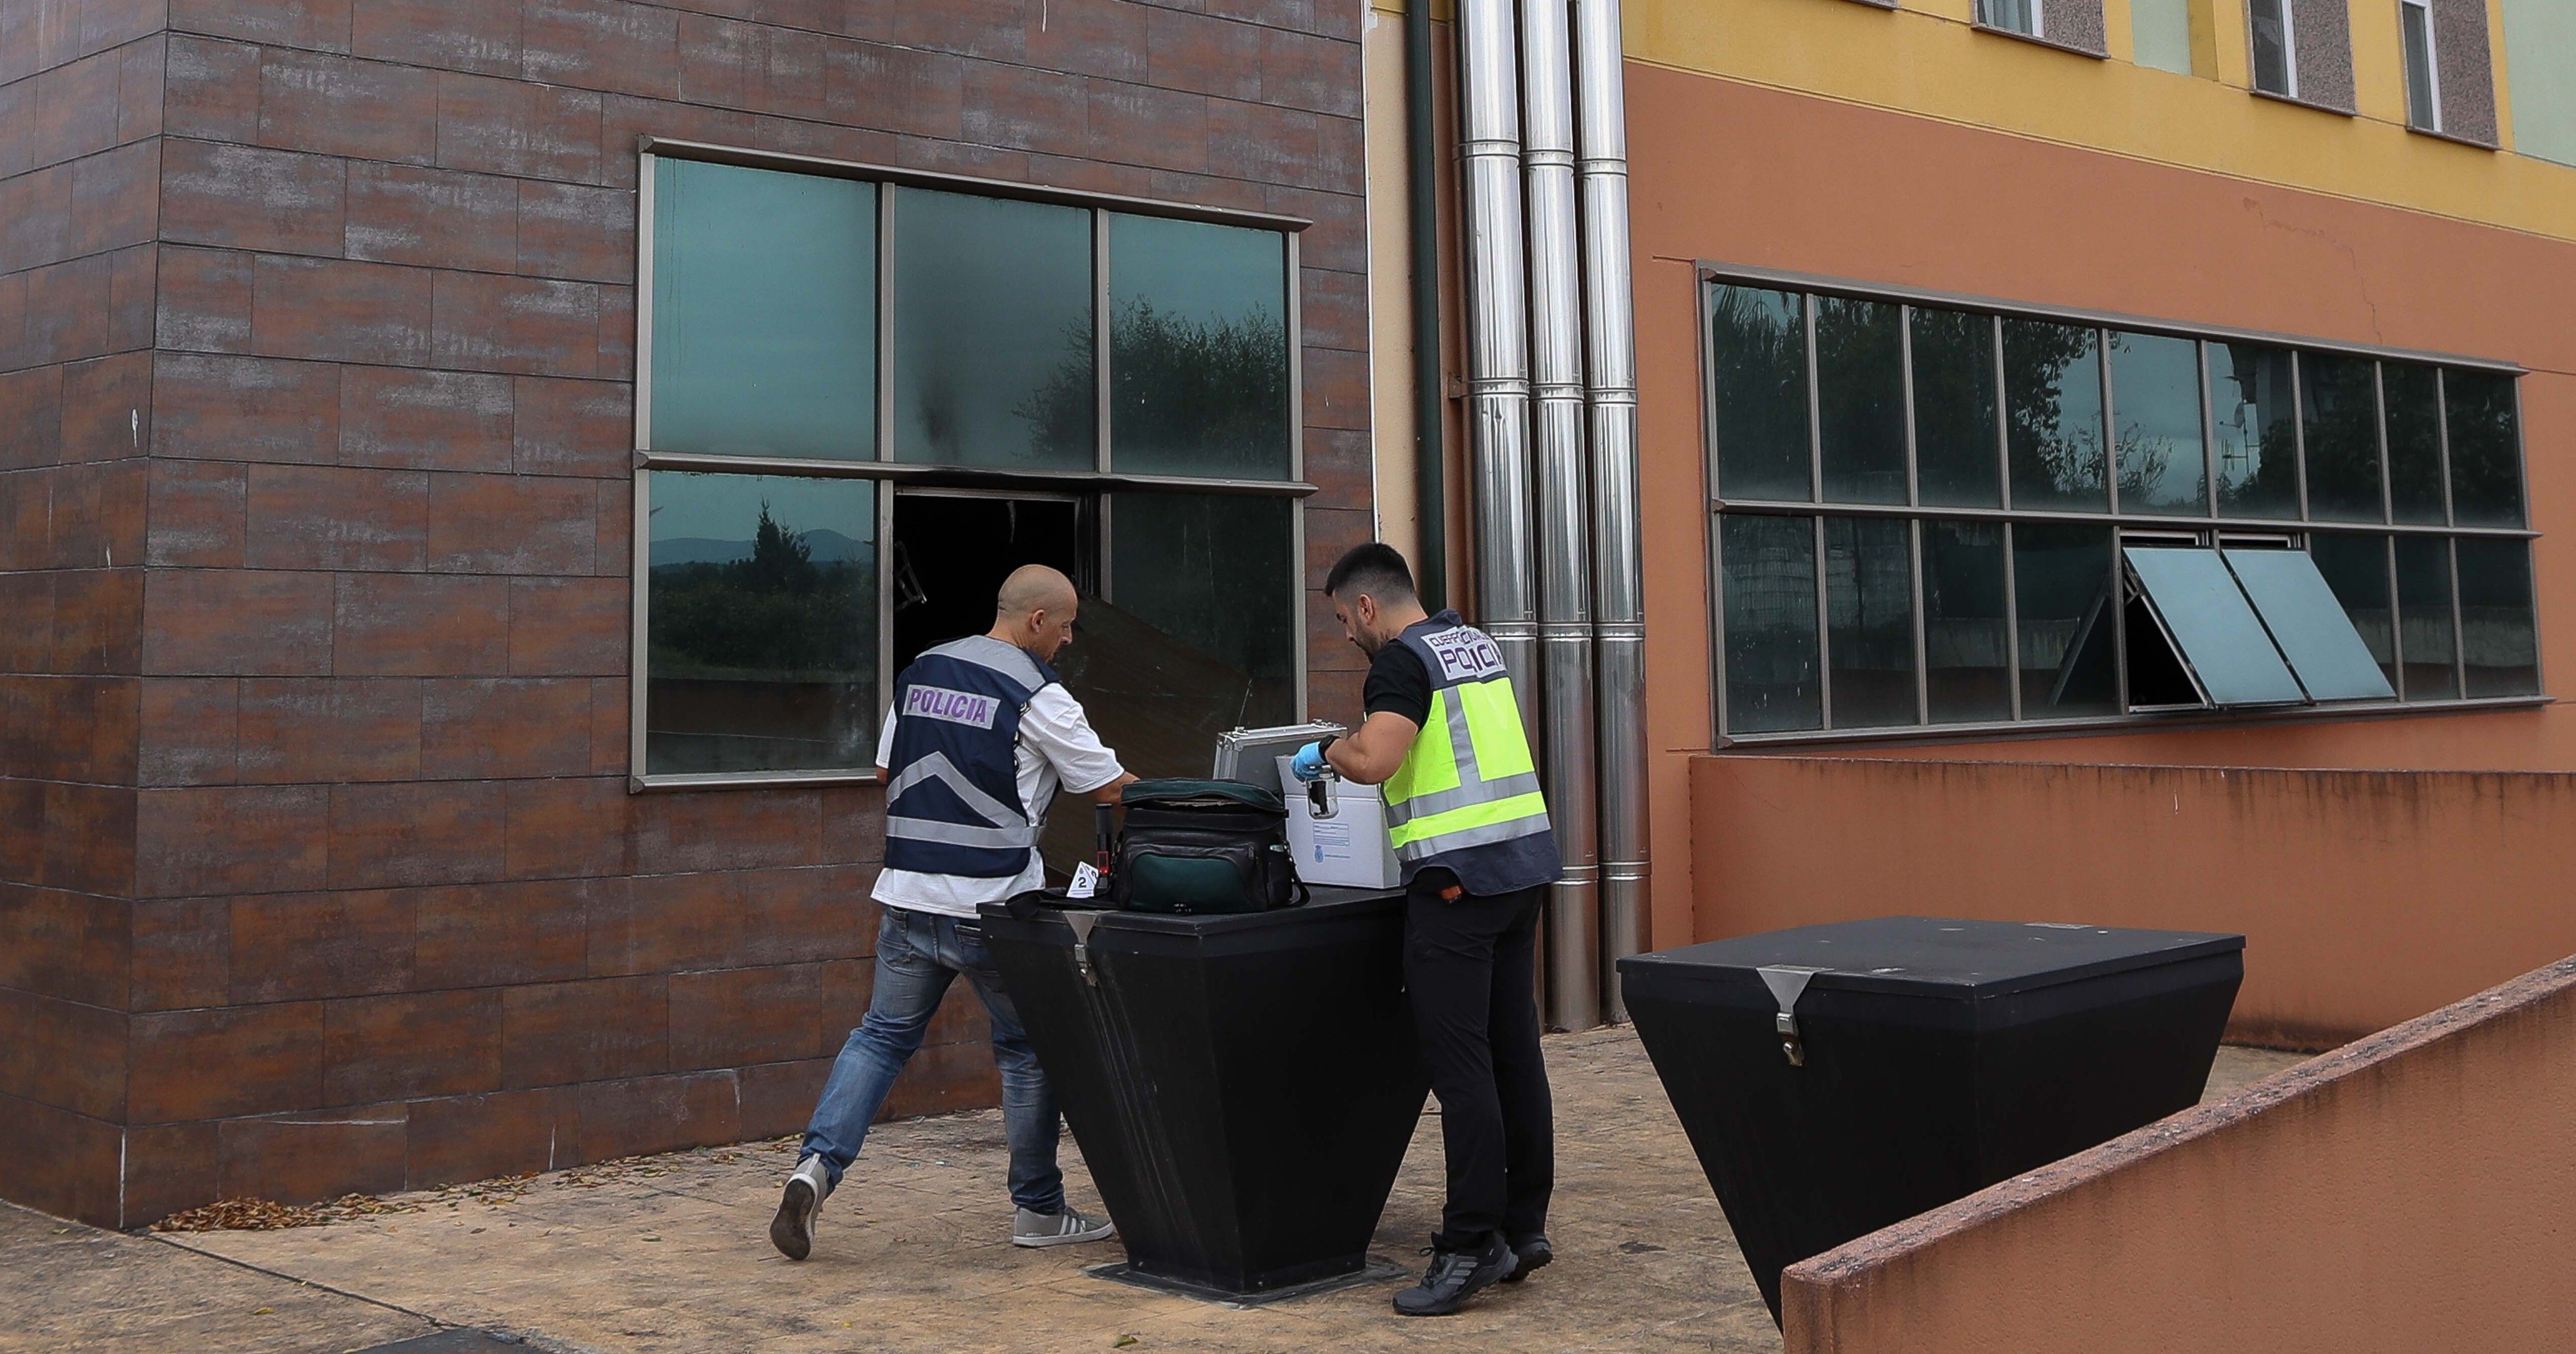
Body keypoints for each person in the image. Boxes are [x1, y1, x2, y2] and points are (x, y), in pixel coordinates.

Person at [771, 564, 1137, 1262]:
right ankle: (1038, 1209)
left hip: (907, 899)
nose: (1066, 643)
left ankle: (813, 1169)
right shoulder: (1039, 693)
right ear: (1037, 622)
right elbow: (1109, 787)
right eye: (1064, 629)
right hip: (994, 907)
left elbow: (886, 770)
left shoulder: (924, 670)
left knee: (879, 1038)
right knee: (1028, 1049)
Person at [1290, 543, 1558, 1317]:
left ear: (1367, 606)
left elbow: (1377, 758)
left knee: (1462, 1065)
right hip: (1519, 870)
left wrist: (1326, 750)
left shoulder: (1402, 662)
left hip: (1454, 888)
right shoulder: (1472, 643)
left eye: (1343, 619)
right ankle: (1522, 1225)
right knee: (1514, 1053)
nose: (1345, 634)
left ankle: (1469, 1244)